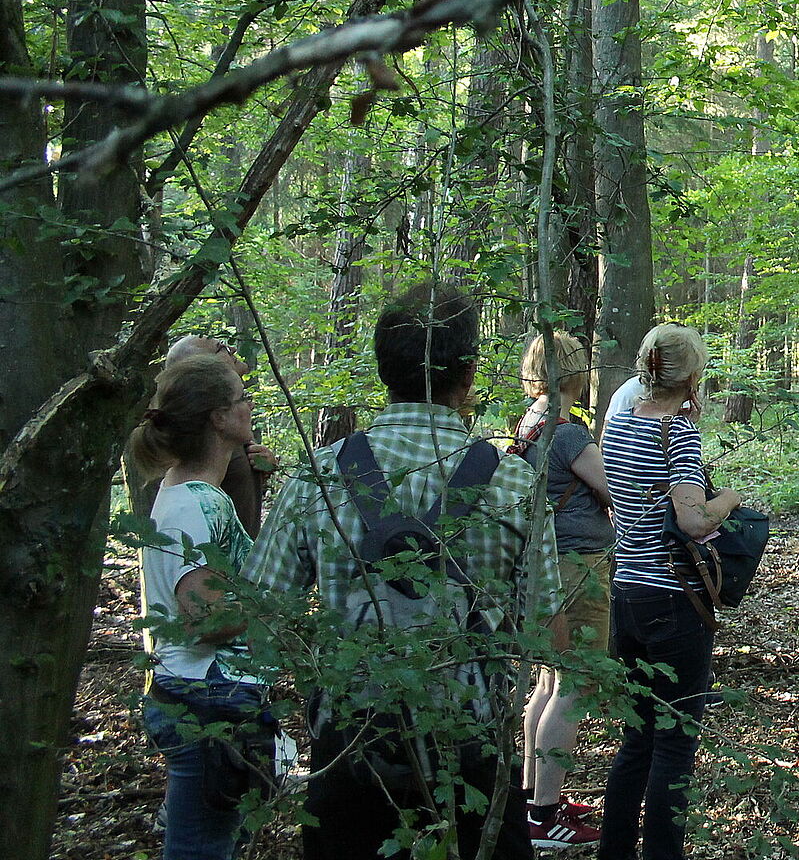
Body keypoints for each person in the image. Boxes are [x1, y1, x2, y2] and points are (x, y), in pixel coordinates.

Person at [246, 282, 557, 860]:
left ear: (384, 369)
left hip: (351, 740)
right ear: (468, 373)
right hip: (472, 747)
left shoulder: (321, 475)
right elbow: (546, 632)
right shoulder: (513, 483)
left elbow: (262, 616)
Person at [599, 323, 742, 860]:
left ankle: (615, 851)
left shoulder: (617, 425)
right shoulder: (676, 433)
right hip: (672, 599)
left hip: (627, 594)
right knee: (676, 741)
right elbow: (693, 521)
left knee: (637, 737)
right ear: (692, 376)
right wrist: (726, 498)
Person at [131, 353, 274, 860]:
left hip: (201, 692)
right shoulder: (198, 502)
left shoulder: (188, 494)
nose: (250, 403)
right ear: (217, 417)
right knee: (199, 849)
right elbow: (206, 620)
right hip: (207, 695)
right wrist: (277, 602)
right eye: (240, 397)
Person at [515, 331, 614, 849]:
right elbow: (613, 487)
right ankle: (545, 817)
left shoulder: (528, 424)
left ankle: (535, 798)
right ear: (577, 372)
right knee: (573, 686)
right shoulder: (567, 433)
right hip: (576, 568)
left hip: (544, 567)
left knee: (548, 683)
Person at [129, 335, 276, 538]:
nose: (230, 348)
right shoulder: (198, 495)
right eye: (219, 348)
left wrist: (261, 473)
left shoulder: (225, 438)